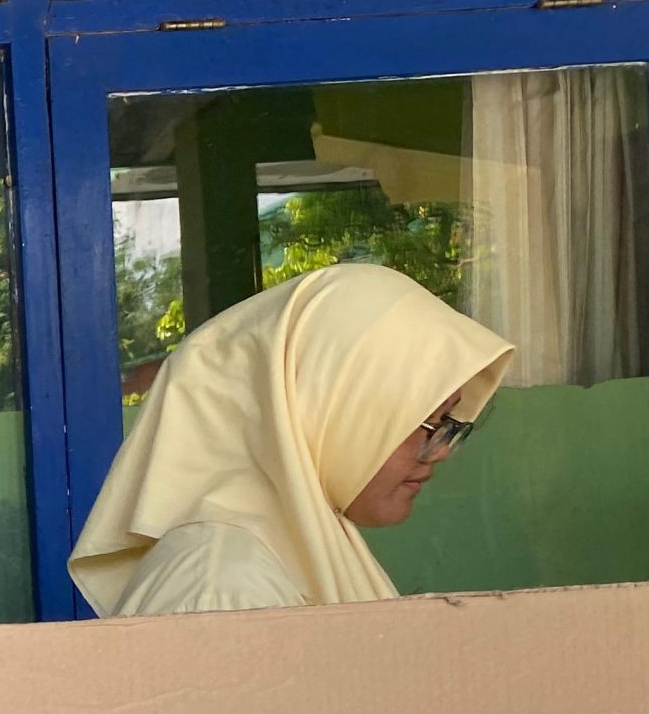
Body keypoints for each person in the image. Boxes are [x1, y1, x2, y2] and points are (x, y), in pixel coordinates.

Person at [70, 262, 515, 617]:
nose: (439, 451)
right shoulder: (220, 588)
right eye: (425, 422)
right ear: (329, 412)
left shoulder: (288, 549)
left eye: (447, 424)